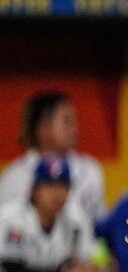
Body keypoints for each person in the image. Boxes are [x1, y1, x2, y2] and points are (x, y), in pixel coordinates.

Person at [0, 155, 113, 272]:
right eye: (49, 185)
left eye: (63, 186)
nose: (57, 193)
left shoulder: (76, 219)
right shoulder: (10, 218)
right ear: (33, 190)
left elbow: (89, 258)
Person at [0, 91, 106, 220]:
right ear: (43, 127)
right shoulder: (14, 179)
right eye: (66, 121)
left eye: (74, 122)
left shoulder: (90, 169)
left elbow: (100, 222)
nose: (74, 129)